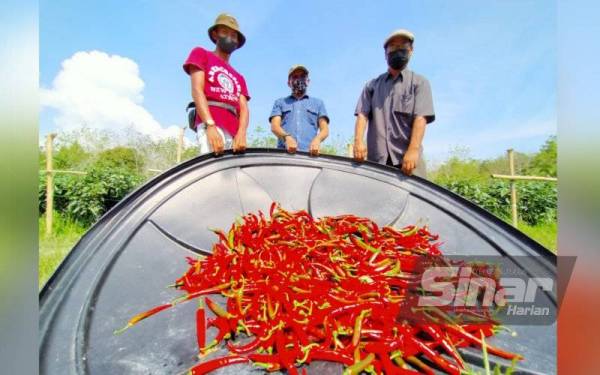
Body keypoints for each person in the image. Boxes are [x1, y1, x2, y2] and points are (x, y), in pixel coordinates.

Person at [353, 29, 435, 177]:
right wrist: (358, 142)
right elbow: (362, 115)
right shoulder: (372, 85)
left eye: (402, 46)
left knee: (415, 199)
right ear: (386, 53)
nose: (398, 51)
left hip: (408, 160)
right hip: (377, 161)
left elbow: (421, 118)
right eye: (393, 47)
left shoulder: (419, 82)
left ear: (411, 50)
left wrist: (413, 150)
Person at [183, 13, 250, 155]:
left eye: (233, 35)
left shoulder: (239, 77)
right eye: (225, 32)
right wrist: (210, 125)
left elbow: (243, 109)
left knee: (233, 175)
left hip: (234, 130)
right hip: (213, 121)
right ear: (215, 35)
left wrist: (242, 133)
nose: (229, 38)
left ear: (237, 42)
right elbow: (197, 90)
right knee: (212, 170)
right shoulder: (201, 54)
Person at [269, 65, 329, 155]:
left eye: (302, 76)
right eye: (295, 77)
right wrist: (286, 137)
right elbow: (274, 127)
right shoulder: (280, 102)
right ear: (289, 83)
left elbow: (325, 130)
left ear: (308, 81)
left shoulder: (318, 103)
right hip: (284, 155)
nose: (299, 79)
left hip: (309, 155)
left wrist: (318, 139)